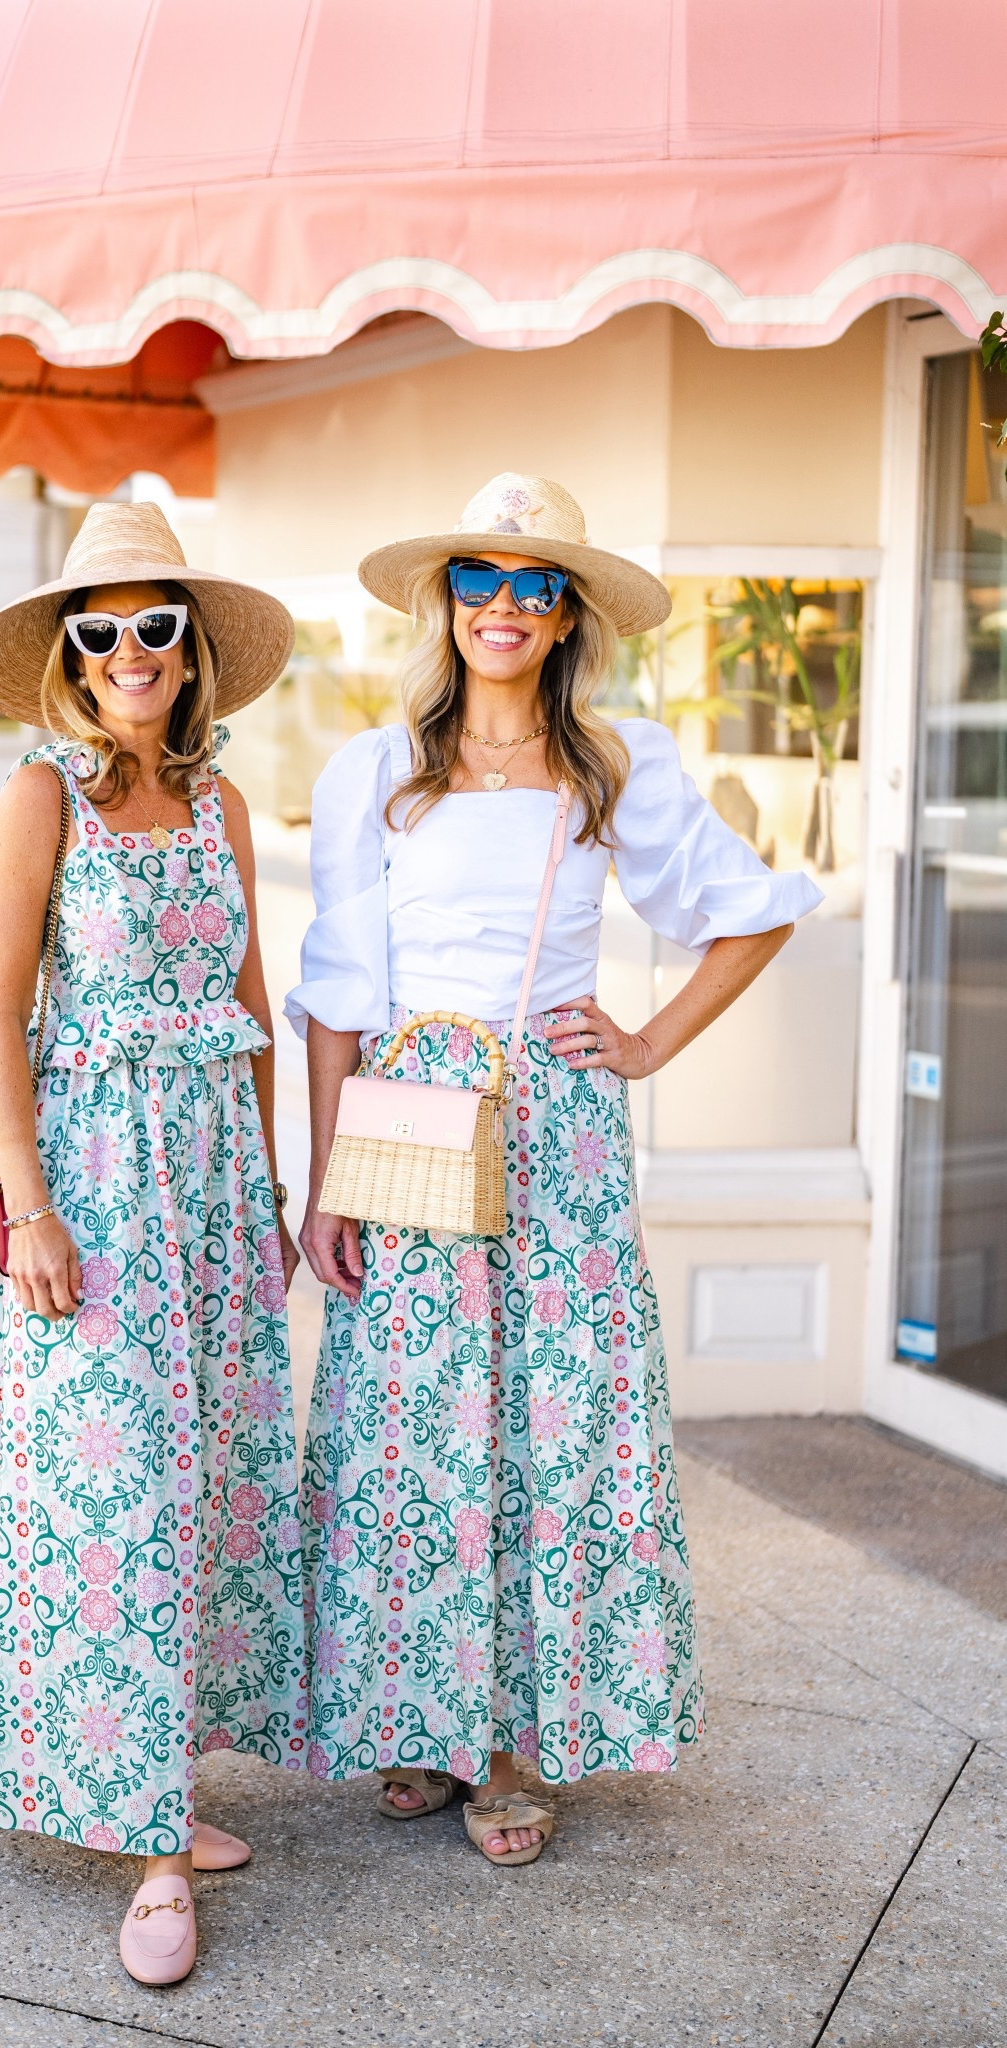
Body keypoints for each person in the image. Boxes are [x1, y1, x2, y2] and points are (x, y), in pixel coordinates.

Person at [290, 474, 822, 1865]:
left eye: (537, 586)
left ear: (569, 614)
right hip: (410, 1121)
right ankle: (424, 1717)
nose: (508, 607)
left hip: (557, 1141)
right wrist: (326, 1175)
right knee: (408, 1422)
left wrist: (646, 1043)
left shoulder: (613, 765)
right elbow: (338, 990)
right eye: (482, 579)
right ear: (446, 600)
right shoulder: (374, 772)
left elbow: (752, 914)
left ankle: (516, 1743)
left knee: (550, 1427)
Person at [0, 503, 308, 1984]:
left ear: (189, 650)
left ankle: (154, 1782)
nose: (130, 651)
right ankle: (151, 1852)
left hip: (211, 1190)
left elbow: (249, 1005)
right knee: (115, 1496)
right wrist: (30, 1205)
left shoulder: (222, 804)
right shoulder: (39, 798)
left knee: (200, 1485)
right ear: (71, 655)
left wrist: (268, 1191)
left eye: (156, 626)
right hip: (89, 1183)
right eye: (101, 630)